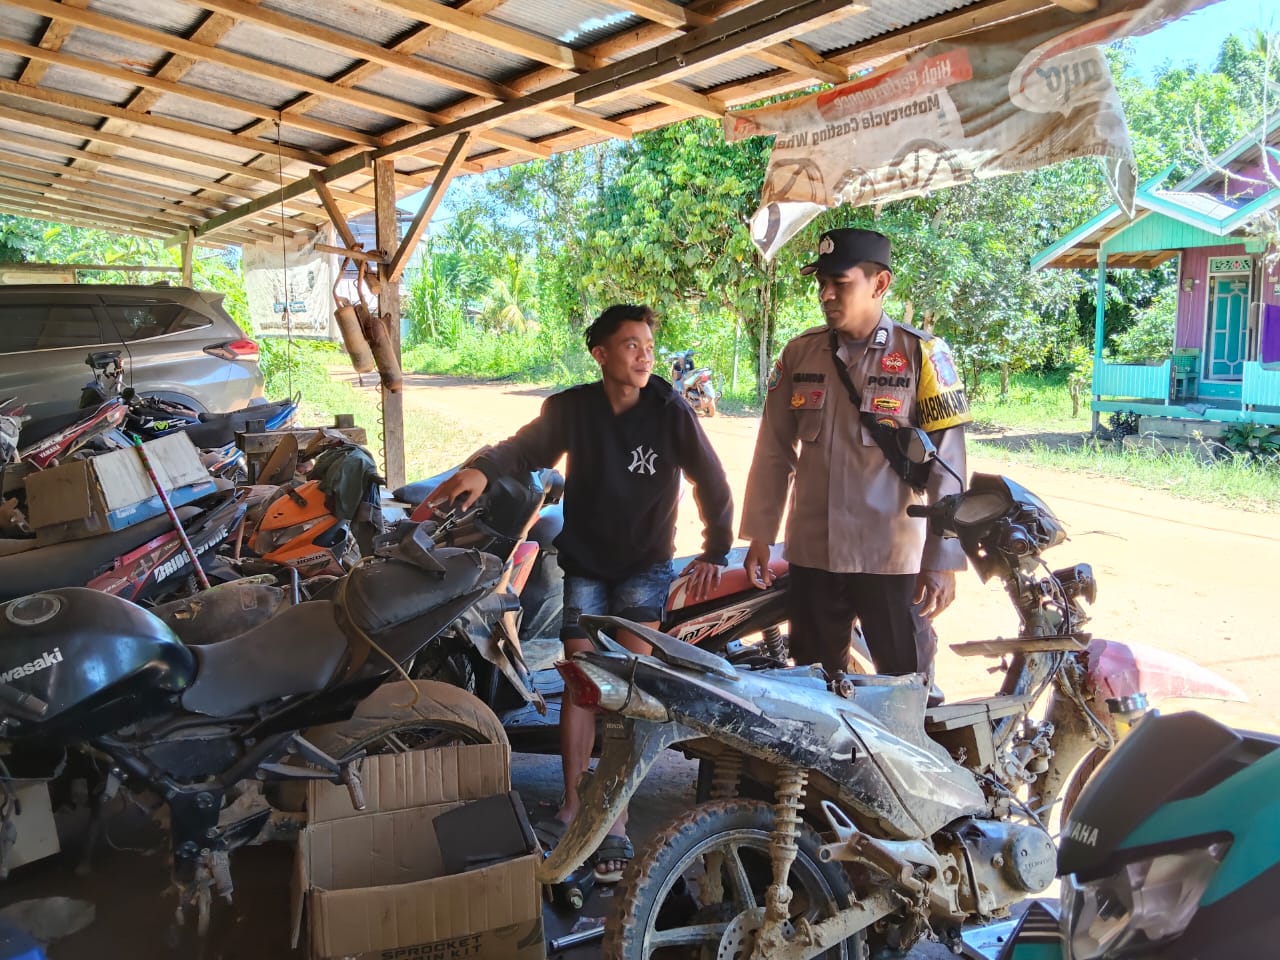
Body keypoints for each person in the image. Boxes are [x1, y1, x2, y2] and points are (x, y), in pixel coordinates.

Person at [425, 303, 734, 883]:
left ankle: (612, 818)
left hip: (646, 565)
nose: (644, 355)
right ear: (600, 354)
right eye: (630, 345)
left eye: (648, 344)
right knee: (582, 680)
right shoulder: (572, 410)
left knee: (630, 686)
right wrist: (482, 472)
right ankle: (573, 802)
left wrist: (717, 550)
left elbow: (711, 480)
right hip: (588, 563)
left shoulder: (669, 410)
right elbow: (523, 448)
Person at [739, 227, 970, 681]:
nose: (825, 294)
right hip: (813, 557)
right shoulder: (800, 353)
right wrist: (761, 535)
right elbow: (773, 450)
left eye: (839, 283)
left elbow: (949, 466)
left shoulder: (922, 355)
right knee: (814, 690)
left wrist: (941, 558)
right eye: (821, 283)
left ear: (879, 284)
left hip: (890, 558)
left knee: (906, 685)